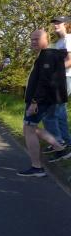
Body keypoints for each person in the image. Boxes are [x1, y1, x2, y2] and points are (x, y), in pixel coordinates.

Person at [17, 29, 71, 177]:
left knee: (29, 128)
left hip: (40, 100)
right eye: (32, 39)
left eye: (37, 39)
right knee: (30, 127)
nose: (33, 42)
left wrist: (35, 102)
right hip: (47, 99)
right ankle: (60, 148)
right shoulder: (48, 55)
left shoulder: (47, 55)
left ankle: (37, 167)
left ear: (46, 40)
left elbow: (44, 81)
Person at [44, 15, 71, 150]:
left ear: (66, 24)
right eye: (54, 23)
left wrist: (54, 71)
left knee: (51, 111)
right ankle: (65, 141)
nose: (55, 25)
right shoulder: (59, 42)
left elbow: (70, 61)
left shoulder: (69, 39)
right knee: (60, 112)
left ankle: (58, 142)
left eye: (58, 23)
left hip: (66, 78)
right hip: (60, 78)